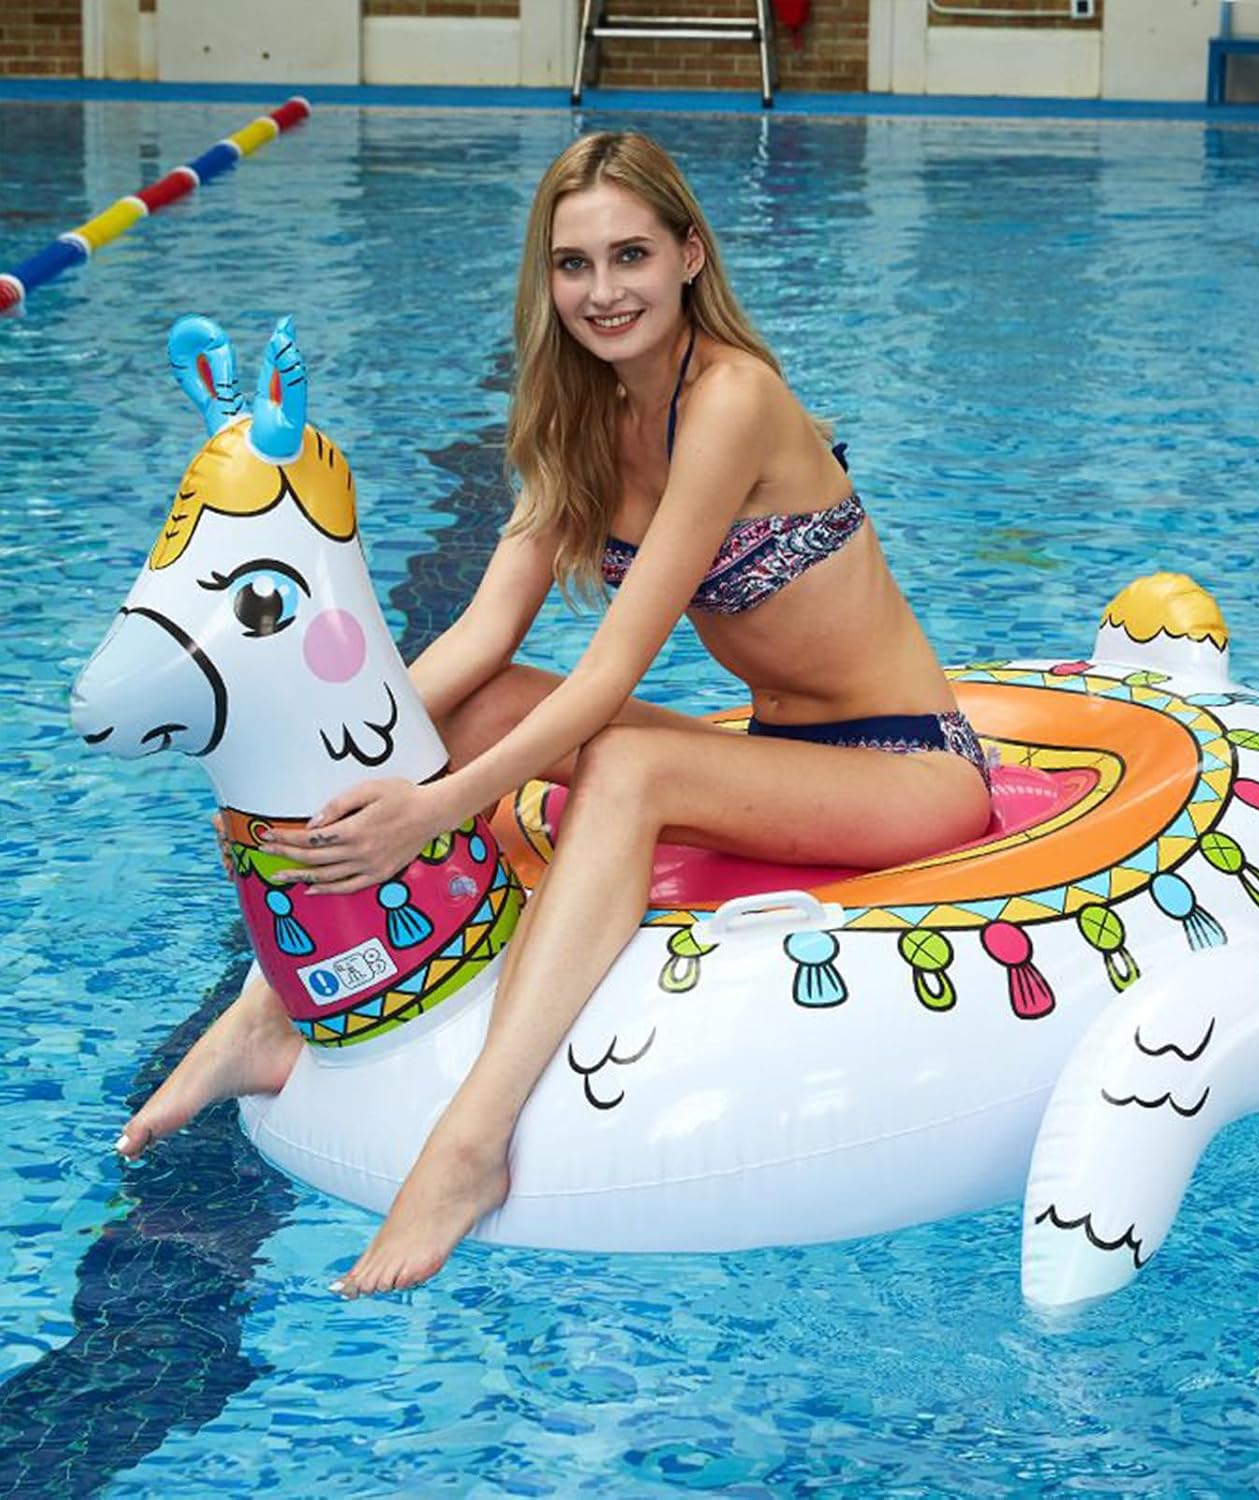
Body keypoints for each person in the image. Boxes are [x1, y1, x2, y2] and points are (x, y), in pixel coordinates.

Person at [115, 131, 994, 1297]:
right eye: (574, 264)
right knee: (475, 703)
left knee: (626, 764)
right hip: (784, 757)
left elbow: (610, 677)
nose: (603, 290)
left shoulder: (733, 399)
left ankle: (469, 1145)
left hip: (908, 768)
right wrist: (305, 773)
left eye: (631, 255)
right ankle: (272, 1008)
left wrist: (432, 808)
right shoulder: (580, 417)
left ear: (690, 255)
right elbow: (481, 639)